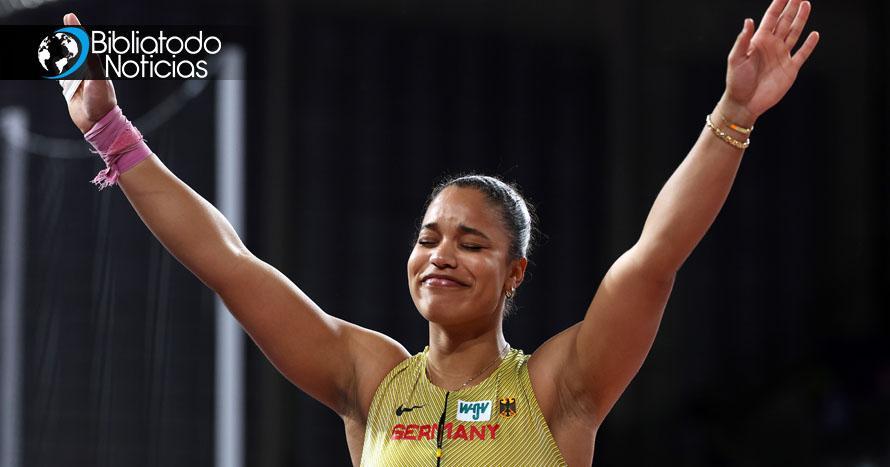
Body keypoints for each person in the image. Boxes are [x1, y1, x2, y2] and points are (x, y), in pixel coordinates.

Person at [57, 1, 819, 464]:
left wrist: (733, 115)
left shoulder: (557, 389)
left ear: (516, 273)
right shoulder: (370, 380)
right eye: (429, 237)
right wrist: (112, 135)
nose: (441, 255)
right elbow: (227, 262)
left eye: (472, 242)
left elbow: (654, 258)